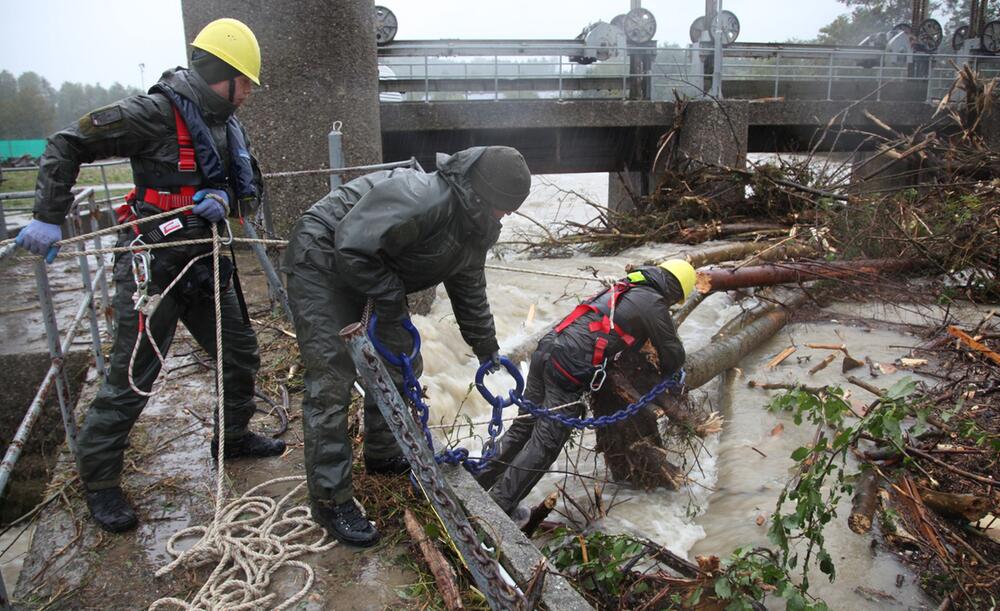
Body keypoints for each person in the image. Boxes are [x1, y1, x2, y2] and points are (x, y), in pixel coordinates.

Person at [16, 18, 285, 533]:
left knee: (241, 352)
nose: (249, 92)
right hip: (152, 266)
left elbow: (253, 189)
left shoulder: (230, 124)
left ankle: (231, 438)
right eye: (245, 81)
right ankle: (99, 482)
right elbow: (67, 143)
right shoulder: (154, 113)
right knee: (132, 377)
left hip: (205, 261)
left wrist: (227, 198)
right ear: (220, 74)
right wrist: (48, 216)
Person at [283, 146, 532, 546]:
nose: (505, 216)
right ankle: (331, 500)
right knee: (332, 377)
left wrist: (487, 348)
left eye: (510, 210)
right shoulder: (425, 198)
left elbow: (468, 288)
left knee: (402, 362)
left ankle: (384, 454)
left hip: (370, 264)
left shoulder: (476, 224)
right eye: (502, 207)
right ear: (482, 195)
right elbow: (351, 247)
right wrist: (390, 298)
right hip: (324, 254)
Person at [474, 260, 696, 517]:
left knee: (523, 428)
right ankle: (497, 508)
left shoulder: (626, 287)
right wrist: (672, 374)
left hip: (546, 350)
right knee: (545, 443)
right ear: (676, 292)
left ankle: (478, 483)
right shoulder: (652, 302)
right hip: (567, 367)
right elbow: (673, 353)